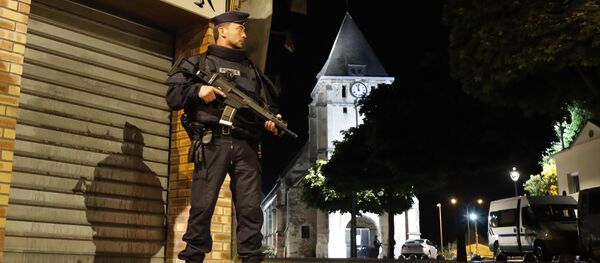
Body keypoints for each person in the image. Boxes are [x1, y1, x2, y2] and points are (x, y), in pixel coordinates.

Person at [165, 10, 283, 263]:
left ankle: (251, 258)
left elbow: (266, 108)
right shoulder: (197, 64)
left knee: (251, 208)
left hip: (247, 145)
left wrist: (272, 121)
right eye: (240, 27)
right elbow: (173, 98)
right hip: (211, 141)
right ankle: (193, 257)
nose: (245, 33)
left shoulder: (252, 71)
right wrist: (198, 90)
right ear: (222, 31)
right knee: (202, 206)